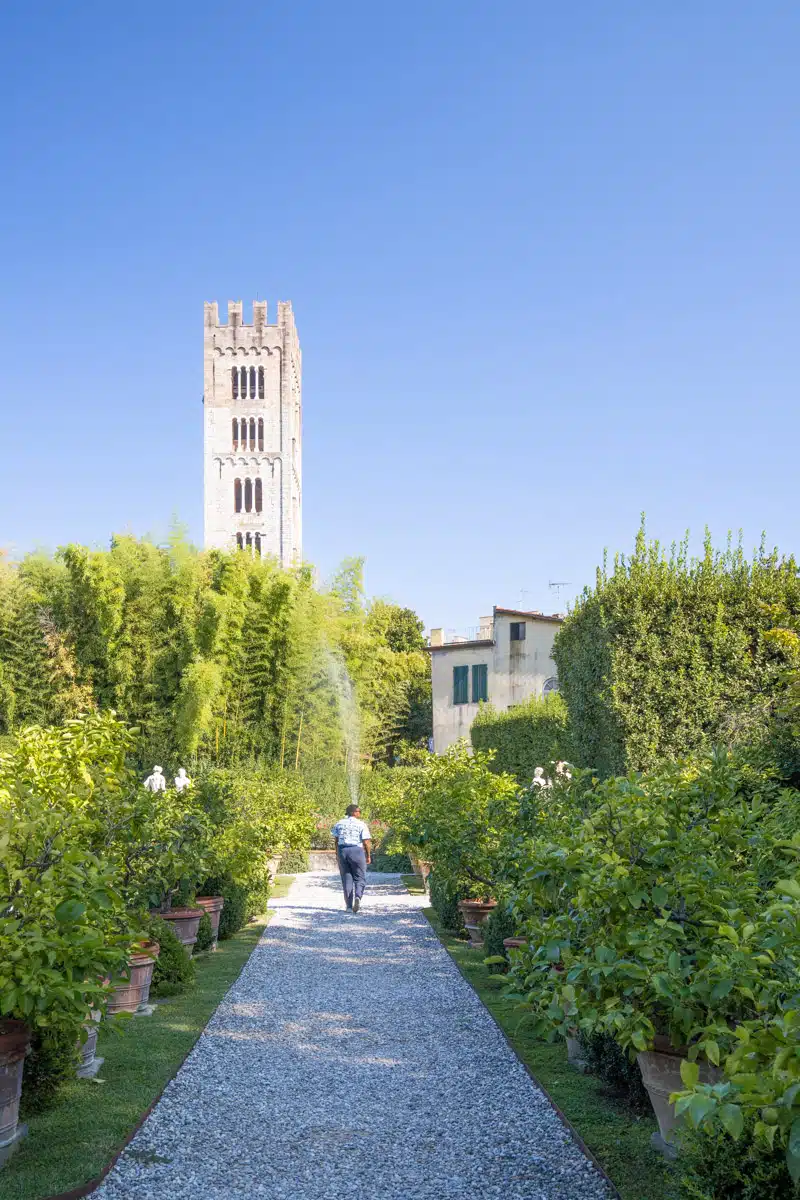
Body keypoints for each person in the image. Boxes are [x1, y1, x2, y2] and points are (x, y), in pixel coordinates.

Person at [331, 803, 372, 913]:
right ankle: (358, 896)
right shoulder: (361, 824)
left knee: (346, 879)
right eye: (359, 811)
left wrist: (337, 854)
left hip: (342, 850)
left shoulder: (339, 823)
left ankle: (349, 907)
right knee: (360, 877)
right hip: (356, 851)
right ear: (353, 812)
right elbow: (366, 842)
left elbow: (335, 840)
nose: (360, 813)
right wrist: (368, 855)